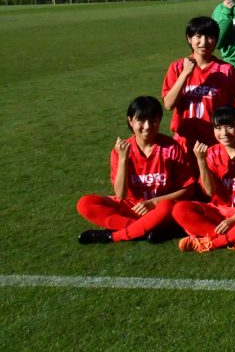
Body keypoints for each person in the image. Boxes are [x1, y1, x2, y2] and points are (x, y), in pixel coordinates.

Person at [77, 96, 195, 244]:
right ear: (130, 121)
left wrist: (153, 202)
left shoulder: (171, 148)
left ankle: (112, 236)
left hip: (159, 207)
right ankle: (144, 229)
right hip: (133, 207)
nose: (147, 126)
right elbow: (120, 195)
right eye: (141, 120)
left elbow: (188, 190)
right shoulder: (121, 150)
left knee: (167, 206)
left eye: (153, 120)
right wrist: (123, 159)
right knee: (85, 203)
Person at [174, 106, 235, 253]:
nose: (223, 133)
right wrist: (201, 161)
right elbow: (210, 192)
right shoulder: (212, 153)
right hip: (219, 214)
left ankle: (211, 243)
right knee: (179, 209)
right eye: (218, 128)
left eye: (229, 126)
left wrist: (234, 219)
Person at [161, 16, 235, 160]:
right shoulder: (177, 67)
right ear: (189, 38)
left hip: (215, 142)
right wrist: (185, 74)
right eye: (198, 36)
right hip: (184, 142)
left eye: (209, 36)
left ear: (216, 39)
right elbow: (168, 104)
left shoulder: (226, 70)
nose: (203, 42)